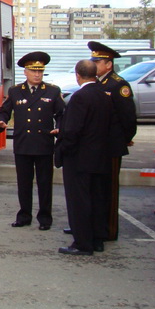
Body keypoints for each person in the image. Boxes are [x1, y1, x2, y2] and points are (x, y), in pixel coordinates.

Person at [0, 51, 64, 230]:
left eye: (40, 71)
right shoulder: (16, 91)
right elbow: (5, 110)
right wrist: (1, 121)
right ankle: (24, 216)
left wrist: (61, 127)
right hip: (23, 143)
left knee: (44, 184)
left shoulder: (53, 91)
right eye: (34, 71)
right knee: (24, 183)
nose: (37, 74)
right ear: (25, 72)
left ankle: (45, 218)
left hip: (43, 144)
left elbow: (62, 113)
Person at [54, 60, 113, 255]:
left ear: (78, 75)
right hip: (100, 157)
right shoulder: (104, 95)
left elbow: (73, 130)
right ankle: (97, 239)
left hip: (80, 158)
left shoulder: (80, 97)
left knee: (79, 201)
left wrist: (63, 149)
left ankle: (82, 243)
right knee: (97, 199)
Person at [88, 41, 138, 241]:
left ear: (108, 64)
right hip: (98, 146)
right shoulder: (98, 83)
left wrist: (126, 139)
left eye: (97, 62)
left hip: (112, 146)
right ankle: (93, 226)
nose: (94, 65)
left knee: (109, 190)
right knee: (96, 189)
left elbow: (128, 118)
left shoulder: (119, 85)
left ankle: (109, 230)